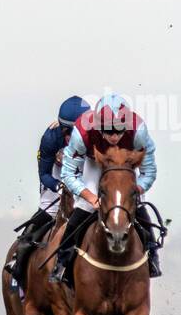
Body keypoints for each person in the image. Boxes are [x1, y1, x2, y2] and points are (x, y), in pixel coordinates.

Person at [49, 92, 161, 285]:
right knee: (84, 207)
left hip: (124, 167)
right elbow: (69, 174)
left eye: (119, 130)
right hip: (94, 163)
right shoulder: (82, 131)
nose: (114, 137)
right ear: (97, 126)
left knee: (136, 205)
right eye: (108, 131)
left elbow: (148, 172)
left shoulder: (139, 131)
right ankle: (63, 260)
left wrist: (135, 192)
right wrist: (91, 197)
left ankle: (152, 254)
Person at [5, 95, 89, 290]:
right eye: (70, 134)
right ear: (63, 129)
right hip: (57, 181)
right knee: (43, 217)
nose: (74, 139)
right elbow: (44, 174)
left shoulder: (96, 136)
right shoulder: (51, 137)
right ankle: (18, 264)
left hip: (85, 181)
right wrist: (59, 187)